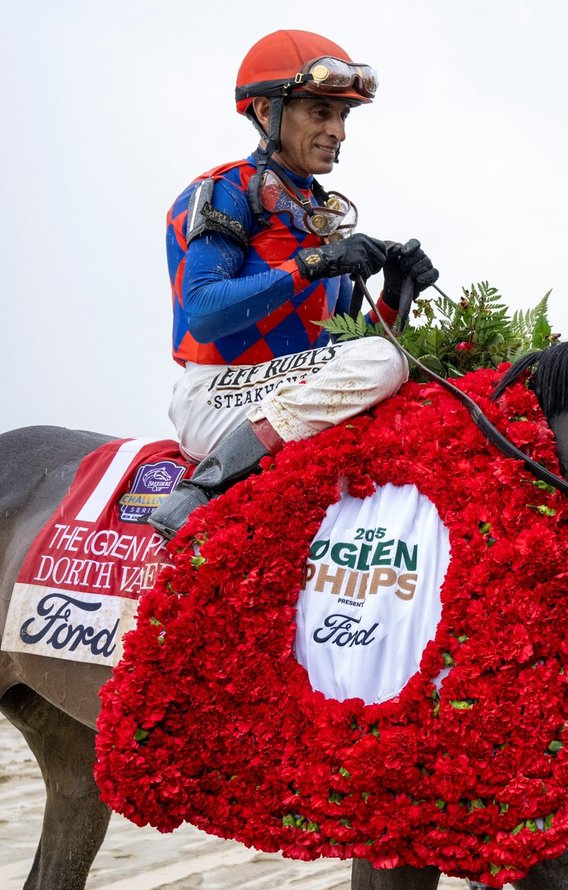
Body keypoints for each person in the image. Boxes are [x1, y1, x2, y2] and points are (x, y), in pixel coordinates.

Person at [149, 30, 438, 540]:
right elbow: (204, 311)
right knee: (384, 362)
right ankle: (204, 487)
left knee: (386, 360)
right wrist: (313, 263)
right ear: (266, 111)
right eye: (321, 113)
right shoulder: (228, 189)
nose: (339, 132)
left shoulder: (318, 208)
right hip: (216, 394)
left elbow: (338, 350)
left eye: (343, 116)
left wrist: (395, 293)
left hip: (283, 387)